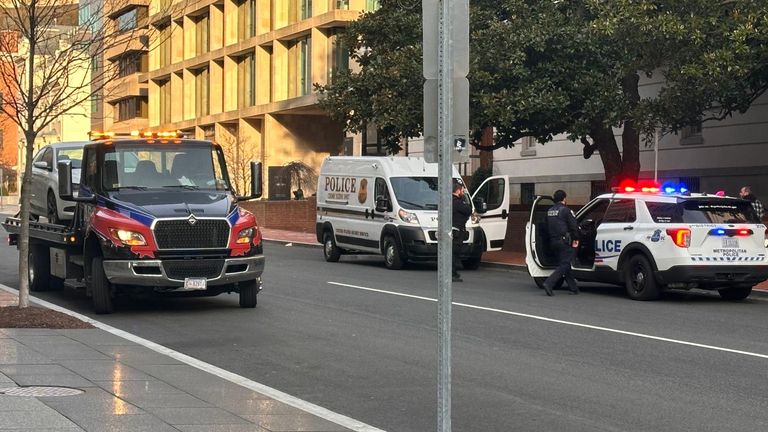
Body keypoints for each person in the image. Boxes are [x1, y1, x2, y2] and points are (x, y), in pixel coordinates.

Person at [542, 190, 580, 296]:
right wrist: (576, 238)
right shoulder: (566, 210)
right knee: (565, 263)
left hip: (553, 242)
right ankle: (549, 283)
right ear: (564, 198)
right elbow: (573, 226)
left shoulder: (549, 211)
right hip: (564, 242)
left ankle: (573, 288)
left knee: (564, 264)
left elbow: (545, 227)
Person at [452, 180, 472, 282]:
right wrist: (464, 199)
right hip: (456, 232)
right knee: (454, 253)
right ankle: (452, 274)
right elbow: (468, 210)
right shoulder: (457, 202)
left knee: (453, 253)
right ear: (458, 191)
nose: (463, 193)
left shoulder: (449, 201)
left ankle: (452, 272)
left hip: (454, 231)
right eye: (462, 191)